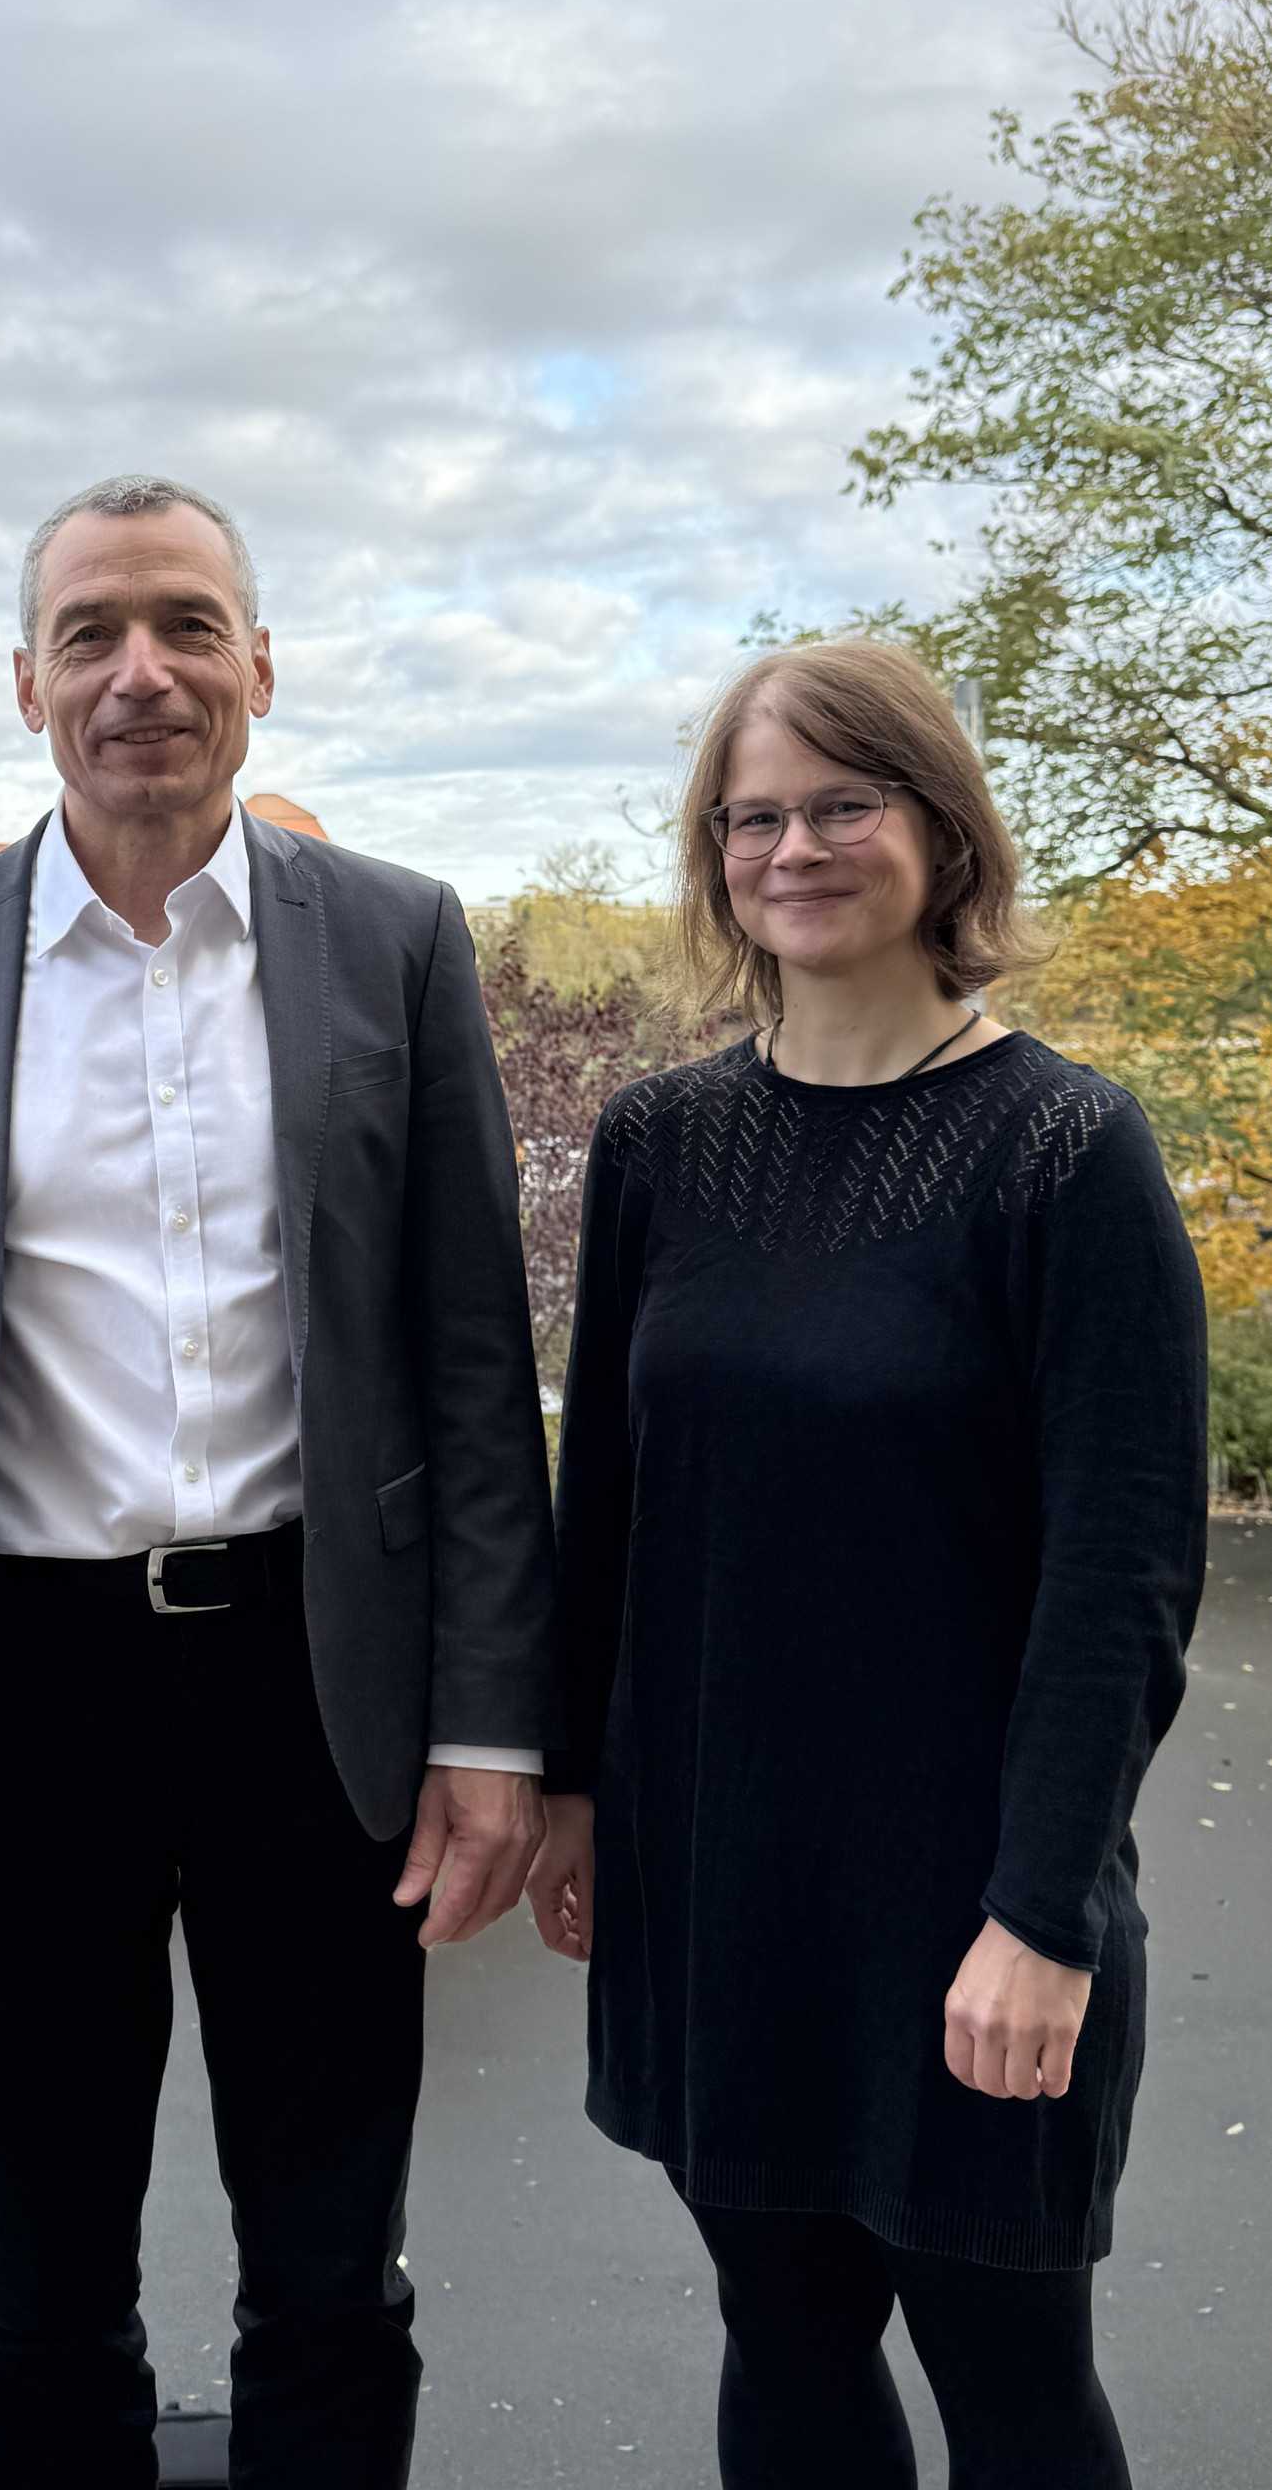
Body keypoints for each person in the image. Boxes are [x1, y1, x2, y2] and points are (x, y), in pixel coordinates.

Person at [0, 472, 558, 2489]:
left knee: (328, 2258)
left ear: (258, 667)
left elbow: (474, 1364)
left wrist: (491, 1726)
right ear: (25, 681)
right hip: (26, 1697)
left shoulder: (391, 939)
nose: (142, 671)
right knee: (43, 2268)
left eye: (188, 624)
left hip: (323, 1678)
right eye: (94, 633)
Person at [526, 639, 1205, 2490]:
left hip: (970, 1895)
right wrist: (571, 1787)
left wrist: (1041, 1918)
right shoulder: (659, 1141)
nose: (792, 849)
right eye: (751, 817)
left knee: (1011, 2380)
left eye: (842, 804)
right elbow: (611, 1500)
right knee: (784, 2338)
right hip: (719, 1873)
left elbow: (1120, 1580)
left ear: (941, 829)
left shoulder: (1063, 1150)